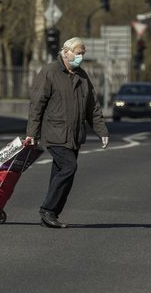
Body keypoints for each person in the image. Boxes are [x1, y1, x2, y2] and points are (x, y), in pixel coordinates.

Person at [25, 36, 109, 228]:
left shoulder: (82, 76)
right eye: (79, 53)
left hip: (74, 135)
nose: (81, 57)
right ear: (66, 52)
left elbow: (92, 107)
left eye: (83, 53)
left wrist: (102, 131)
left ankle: (51, 214)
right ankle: (47, 209)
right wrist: (32, 133)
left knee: (61, 173)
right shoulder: (49, 72)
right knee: (69, 167)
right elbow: (36, 105)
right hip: (54, 132)